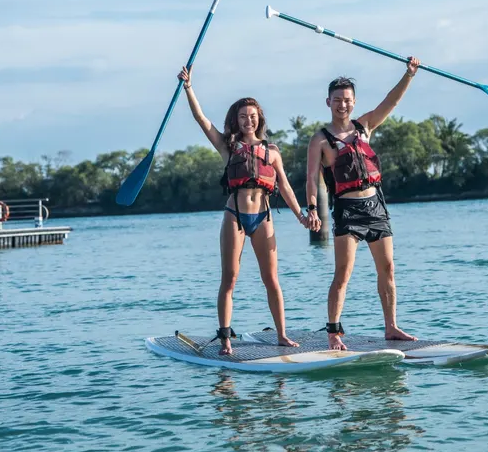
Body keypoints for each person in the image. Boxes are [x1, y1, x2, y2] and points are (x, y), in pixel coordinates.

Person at [178, 66, 319, 355]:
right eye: (243, 116)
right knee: (229, 278)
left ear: (259, 119)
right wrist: (189, 88)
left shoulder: (273, 151)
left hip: (264, 218)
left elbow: (287, 188)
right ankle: (225, 339)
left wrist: (302, 216)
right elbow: (201, 120)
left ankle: (281, 334)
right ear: (236, 120)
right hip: (236, 217)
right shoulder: (228, 147)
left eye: (252, 116)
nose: (248, 120)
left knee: (272, 280)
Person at [305, 58, 421, 350]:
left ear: (354, 102)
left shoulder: (365, 126)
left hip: (376, 207)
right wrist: (311, 208)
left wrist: (409, 75)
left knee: (388, 269)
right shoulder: (320, 140)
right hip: (347, 211)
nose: (342, 105)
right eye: (337, 100)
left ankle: (391, 327)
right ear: (328, 102)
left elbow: (390, 102)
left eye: (347, 100)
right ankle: (334, 332)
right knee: (343, 274)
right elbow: (310, 179)